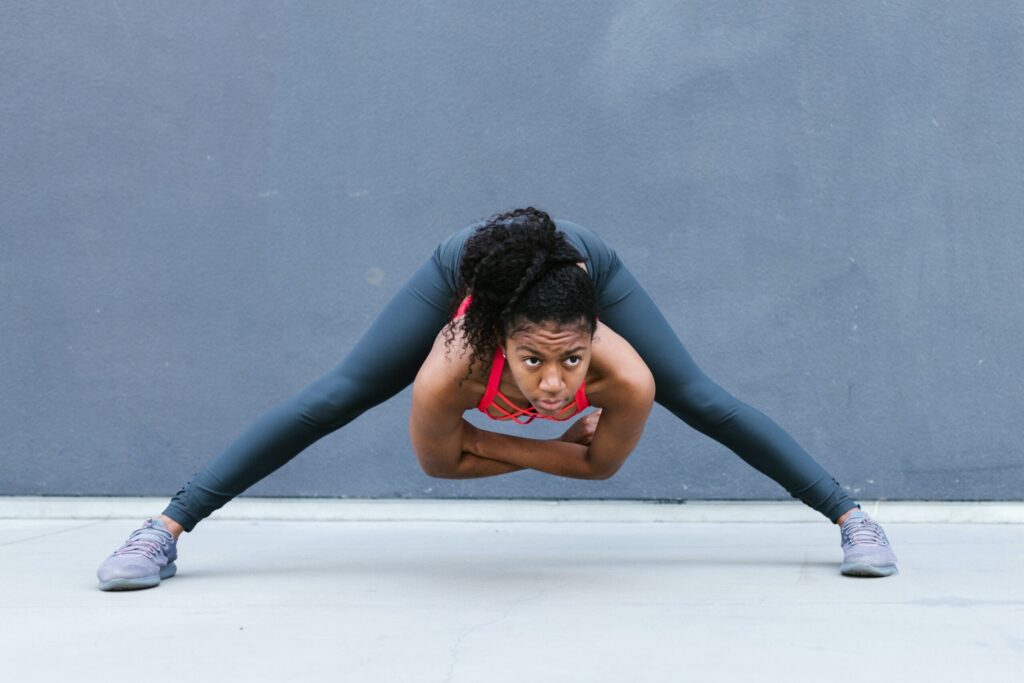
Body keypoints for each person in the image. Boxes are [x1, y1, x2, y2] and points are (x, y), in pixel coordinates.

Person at [96, 208, 897, 590]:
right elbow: (437, 464)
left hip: (582, 264)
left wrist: (501, 439)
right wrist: (550, 440)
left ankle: (848, 514)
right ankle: (162, 529)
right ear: (494, 342)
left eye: (574, 360)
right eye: (532, 363)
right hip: (468, 268)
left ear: (596, 334)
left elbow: (602, 470)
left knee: (700, 395)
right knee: (337, 393)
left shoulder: (626, 374)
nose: (555, 384)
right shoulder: (452, 363)